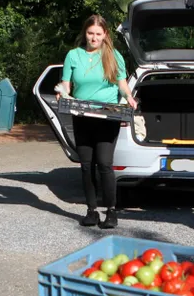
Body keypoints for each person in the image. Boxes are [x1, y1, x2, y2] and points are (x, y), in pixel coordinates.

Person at [57, 15, 137, 229]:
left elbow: (121, 83)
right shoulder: (73, 56)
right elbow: (66, 85)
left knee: (104, 163)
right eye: (90, 33)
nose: (94, 38)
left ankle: (111, 211)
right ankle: (91, 211)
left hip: (107, 115)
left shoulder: (113, 56)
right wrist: (61, 92)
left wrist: (129, 97)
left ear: (105, 35)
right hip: (82, 115)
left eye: (98, 34)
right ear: (85, 33)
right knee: (85, 165)